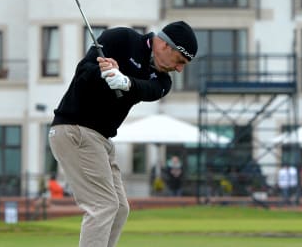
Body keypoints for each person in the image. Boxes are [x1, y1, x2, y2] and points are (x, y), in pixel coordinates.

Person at [49, 21, 197, 247]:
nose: (179, 69)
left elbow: (147, 90)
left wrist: (125, 81)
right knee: (103, 205)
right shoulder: (122, 39)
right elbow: (83, 72)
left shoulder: (163, 81)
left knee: (119, 208)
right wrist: (103, 72)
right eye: (180, 61)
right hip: (74, 129)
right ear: (167, 46)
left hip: (100, 140)